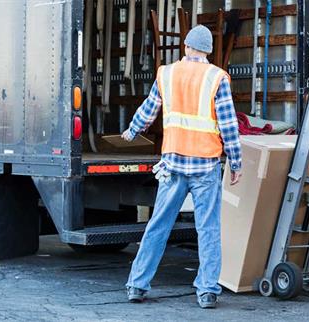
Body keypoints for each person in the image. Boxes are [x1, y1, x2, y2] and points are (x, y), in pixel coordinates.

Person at [121, 25, 242, 309]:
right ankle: (207, 290)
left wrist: (131, 131)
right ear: (209, 51)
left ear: (186, 46)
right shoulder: (217, 77)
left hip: (173, 165)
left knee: (158, 226)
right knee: (208, 229)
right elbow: (228, 125)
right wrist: (236, 162)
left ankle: (137, 285)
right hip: (205, 166)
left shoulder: (167, 73)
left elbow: (149, 109)